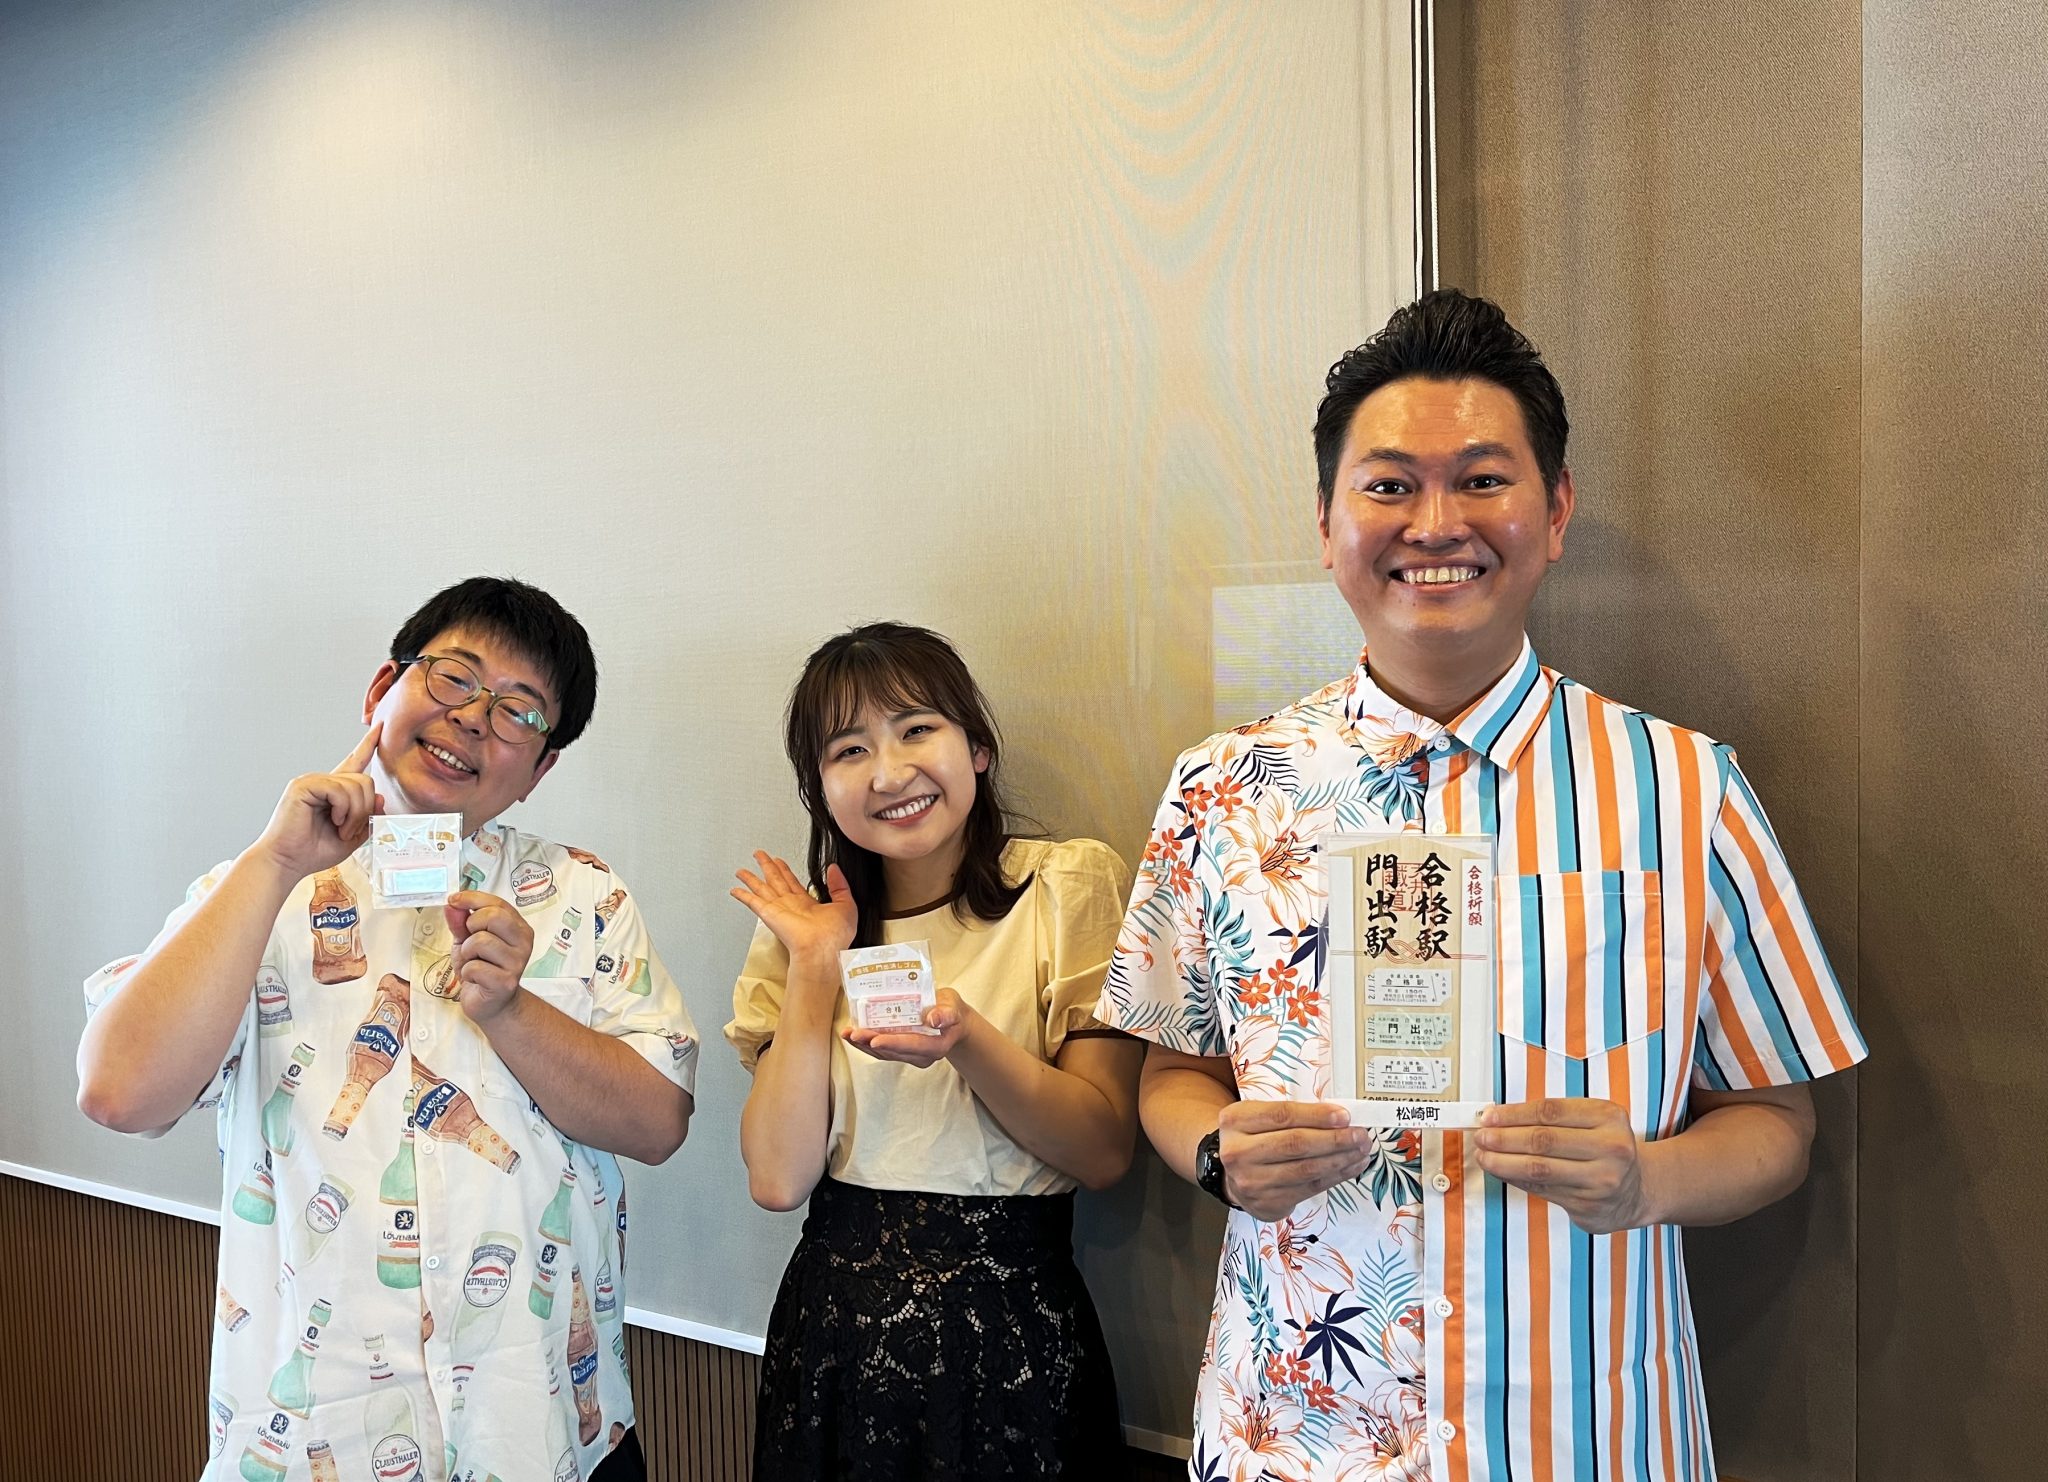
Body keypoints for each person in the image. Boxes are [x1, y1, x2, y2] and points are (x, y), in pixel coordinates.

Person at [1098, 290, 1867, 1482]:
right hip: (1293, 1436)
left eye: (1481, 479)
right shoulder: (1223, 787)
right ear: (1325, 524)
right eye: (1387, 484)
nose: (1434, 523)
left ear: (1553, 513)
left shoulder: (1682, 788)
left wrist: (1646, 1178)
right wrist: (1214, 1152)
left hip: (1585, 1432)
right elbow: (1171, 1073)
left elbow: (1775, 1122)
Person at [78, 576, 697, 1482]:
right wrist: (277, 860)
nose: (474, 718)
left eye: (520, 711)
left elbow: (658, 1123)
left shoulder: (583, 895)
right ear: (382, 690)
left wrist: (514, 1010)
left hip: (547, 1435)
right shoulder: (255, 893)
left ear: (541, 768)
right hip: (313, 1446)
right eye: (454, 677)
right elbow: (118, 1091)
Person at [725, 622, 1142, 1480]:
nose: (889, 774)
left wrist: (966, 1042)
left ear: (977, 748)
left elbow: (1103, 1151)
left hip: (1014, 1329)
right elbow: (777, 1180)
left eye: (917, 729)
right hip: (834, 1335)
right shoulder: (803, 930)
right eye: (849, 750)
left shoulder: (1064, 885)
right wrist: (816, 964)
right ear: (820, 789)